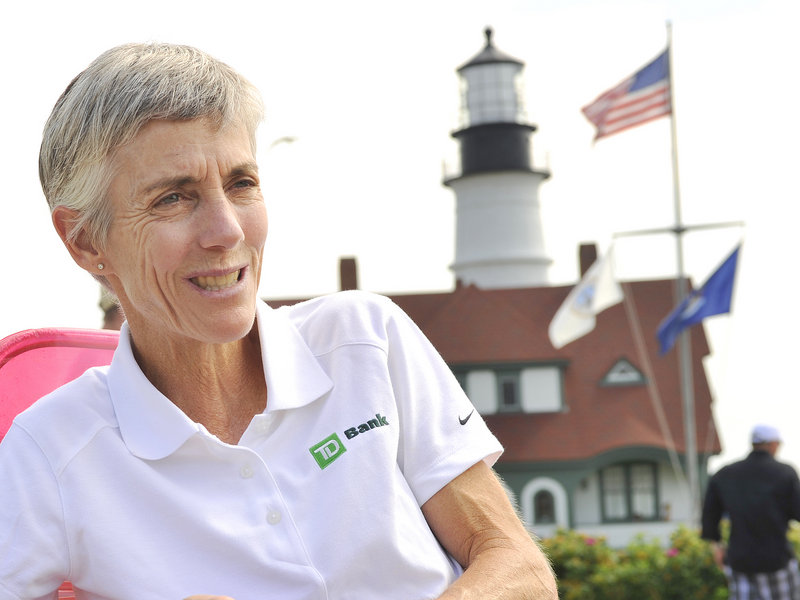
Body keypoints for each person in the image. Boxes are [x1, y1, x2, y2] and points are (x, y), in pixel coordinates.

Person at [0, 43, 557, 600]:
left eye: (241, 183)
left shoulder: (364, 339)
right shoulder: (47, 450)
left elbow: (519, 568)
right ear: (85, 240)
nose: (227, 230)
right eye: (173, 198)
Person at [701, 424, 800, 600]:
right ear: (773, 444)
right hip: (776, 558)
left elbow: (710, 516)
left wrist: (717, 546)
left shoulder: (725, 474)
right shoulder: (785, 473)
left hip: (740, 560)